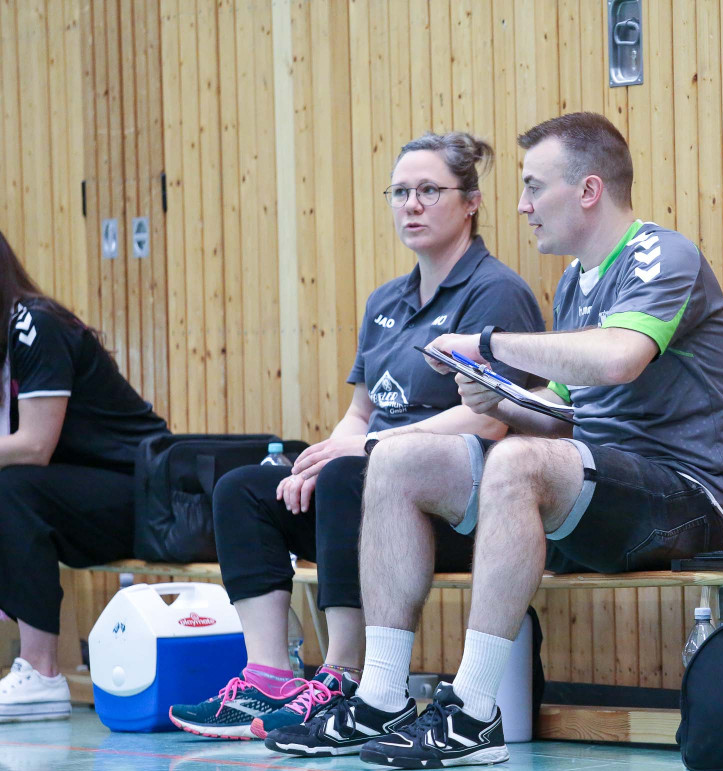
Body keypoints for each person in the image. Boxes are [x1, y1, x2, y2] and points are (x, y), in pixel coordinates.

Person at [265, 112, 723, 767]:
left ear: (588, 190)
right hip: (600, 484)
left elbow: (618, 359)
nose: (522, 205)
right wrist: (502, 400)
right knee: (398, 457)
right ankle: (379, 696)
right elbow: (563, 414)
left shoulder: (661, 255)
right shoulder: (576, 282)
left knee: (517, 463)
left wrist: (487, 345)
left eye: (534, 186)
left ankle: (473, 711)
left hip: (690, 495)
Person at [168, 132, 545, 740]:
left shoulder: (496, 292)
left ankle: (344, 676)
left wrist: (362, 451)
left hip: (455, 510)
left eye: (429, 191)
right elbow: (360, 412)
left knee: (351, 474)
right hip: (363, 494)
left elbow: (490, 418)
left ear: (471, 202)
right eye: (400, 192)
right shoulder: (385, 301)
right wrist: (318, 460)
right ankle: (268, 678)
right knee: (245, 489)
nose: (411, 205)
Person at [0, 230, 169, 723]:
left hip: (143, 493)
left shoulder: (34, 324)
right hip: (80, 494)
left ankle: (41, 671)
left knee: (11, 490)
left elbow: (34, 446)